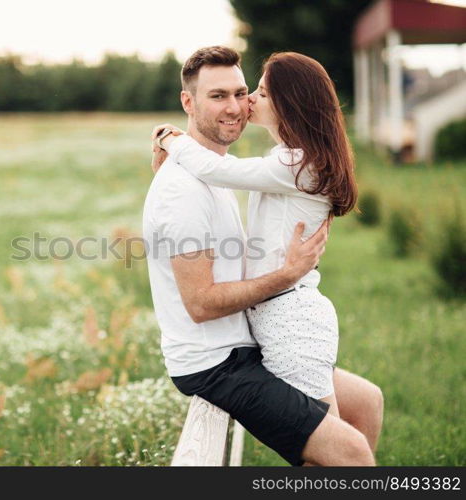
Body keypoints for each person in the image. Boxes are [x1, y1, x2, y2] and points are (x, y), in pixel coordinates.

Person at [142, 46, 382, 466]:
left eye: (246, 92)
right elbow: (200, 304)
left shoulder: (237, 169)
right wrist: (286, 274)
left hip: (267, 330)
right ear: (188, 102)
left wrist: (171, 140)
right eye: (219, 96)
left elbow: (223, 172)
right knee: (350, 453)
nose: (241, 103)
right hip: (217, 361)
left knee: (366, 403)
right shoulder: (189, 186)